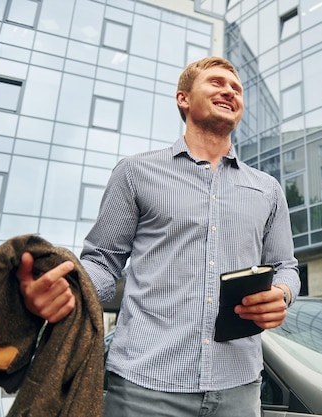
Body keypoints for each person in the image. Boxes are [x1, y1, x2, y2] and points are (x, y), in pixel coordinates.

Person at [17, 56, 300, 417]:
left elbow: (285, 266)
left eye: (236, 88)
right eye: (216, 82)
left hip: (239, 388)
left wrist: (282, 293)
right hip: (143, 387)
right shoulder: (135, 172)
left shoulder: (268, 189)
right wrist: (67, 287)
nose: (229, 90)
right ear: (183, 98)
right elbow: (103, 260)